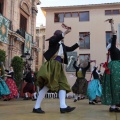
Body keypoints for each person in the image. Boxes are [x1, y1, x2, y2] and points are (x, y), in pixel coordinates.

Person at [33, 28, 83, 114]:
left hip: (59, 66)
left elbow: (70, 48)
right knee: (47, 86)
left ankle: (63, 106)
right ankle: (36, 107)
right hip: (52, 65)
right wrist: (65, 32)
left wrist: (79, 42)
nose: (62, 37)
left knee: (62, 85)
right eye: (60, 35)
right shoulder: (52, 41)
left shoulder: (62, 45)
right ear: (57, 35)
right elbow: (56, 39)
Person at [102, 19, 120, 112]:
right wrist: (112, 25)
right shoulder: (113, 48)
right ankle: (113, 106)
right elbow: (114, 34)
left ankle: (114, 106)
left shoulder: (114, 49)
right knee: (115, 86)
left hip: (116, 68)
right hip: (115, 69)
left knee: (115, 86)